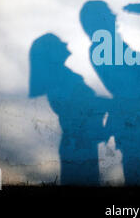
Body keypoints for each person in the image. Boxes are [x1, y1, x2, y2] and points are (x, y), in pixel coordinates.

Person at [80, 1, 140, 185]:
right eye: (108, 13)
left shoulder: (109, 46)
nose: (114, 16)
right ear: (98, 21)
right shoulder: (106, 47)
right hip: (135, 118)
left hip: (135, 118)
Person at [29, 33, 109, 185]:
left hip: (82, 144)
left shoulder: (63, 77)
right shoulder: (60, 79)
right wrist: (115, 104)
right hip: (78, 145)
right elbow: (84, 104)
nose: (65, 44)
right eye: (59, 43)